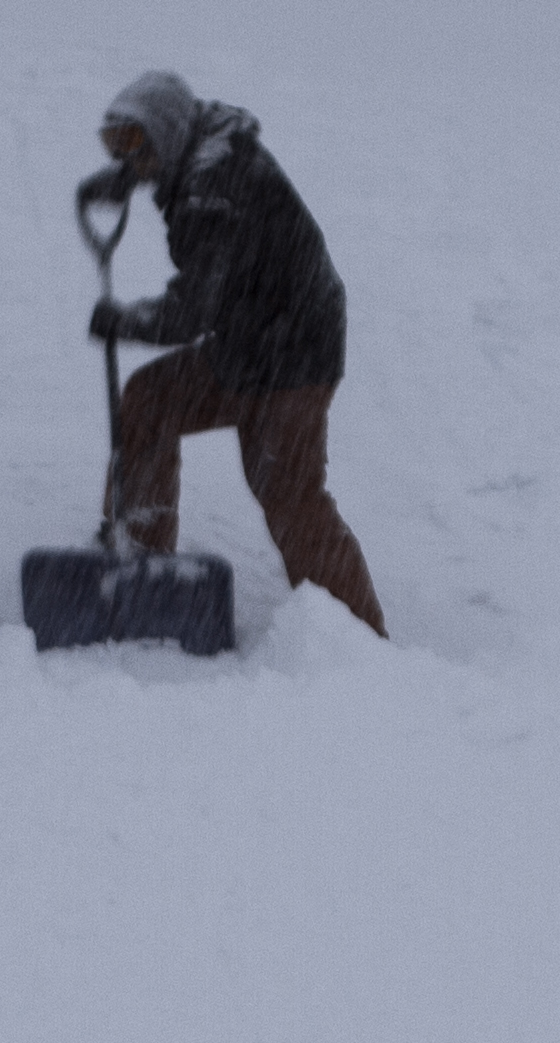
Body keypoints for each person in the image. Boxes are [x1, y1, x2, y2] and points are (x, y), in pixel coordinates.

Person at [85, 69, 385, 636]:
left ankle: (360, 639)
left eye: (137, 144)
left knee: (288, 491)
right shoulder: (202, 160)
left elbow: (194, 307)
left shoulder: (213, 188)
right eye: (117, 145)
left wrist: (126, 320)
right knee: (150, 402)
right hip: (247, 346)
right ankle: (139, 559)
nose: (130, 159)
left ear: (170, 133)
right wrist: (132, 177)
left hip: (295, 353)